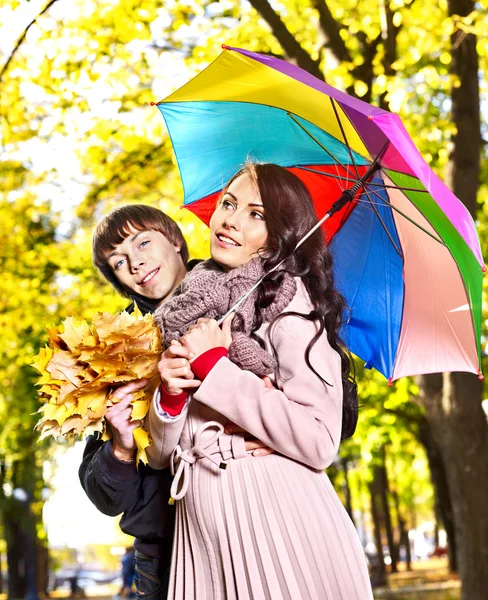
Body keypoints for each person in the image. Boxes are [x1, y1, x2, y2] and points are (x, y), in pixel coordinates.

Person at [146, 163, 373, 599]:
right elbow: (159, 458)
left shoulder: (292, 311)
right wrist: (170, 400)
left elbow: (320, 440)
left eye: (257, 214)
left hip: (277, 524)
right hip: (203, 538)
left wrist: (215, 366)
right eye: (229, 203)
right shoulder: (187, 307)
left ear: (281, 234)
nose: (230, 219)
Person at [79, 205, 274, 600]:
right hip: (166, 551)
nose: (135, 262)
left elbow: (326, 410)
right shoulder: (117, 350)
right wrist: (119, 446)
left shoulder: (253, 289)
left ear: (175, 241)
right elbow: (106, 495)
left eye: (143, 242)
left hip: (255, 517)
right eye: (119, 261)